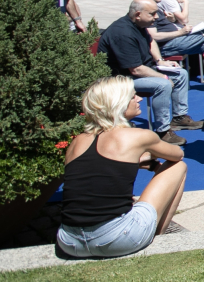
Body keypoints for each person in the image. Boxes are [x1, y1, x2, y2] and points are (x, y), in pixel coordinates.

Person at [55, 77, 188, 258]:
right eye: (133, 96)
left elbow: (93, 176)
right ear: (119, 103)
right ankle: (157, 240)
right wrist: (150, 158)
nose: (139, 98)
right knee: (178, 167)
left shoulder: (78, 141)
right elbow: (177, 154)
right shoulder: (137, 136)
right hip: (116, 239)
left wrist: (136, 161)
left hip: (69, 241)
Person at [97, 0, 203, 145]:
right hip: (121, 78)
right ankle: (162, 131)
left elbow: (150, 40)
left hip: (138, 70)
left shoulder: (139, 25)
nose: (157, 17)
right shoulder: (123, 33)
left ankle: (179, 118)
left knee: (181, 74)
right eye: (152, 14)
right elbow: (136, 69)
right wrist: (163, 76)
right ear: (138, 14)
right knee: (163, 84)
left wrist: (160, 61)